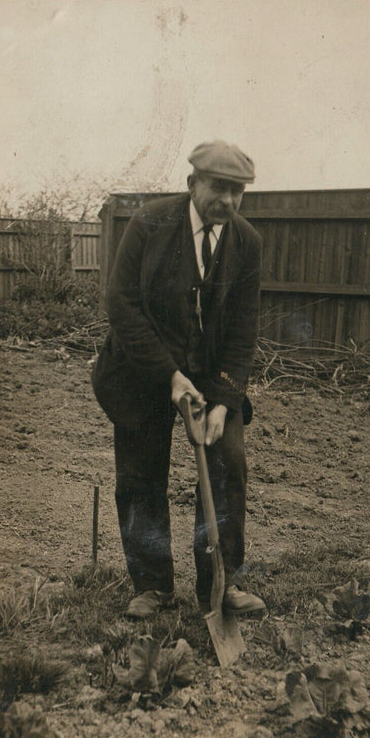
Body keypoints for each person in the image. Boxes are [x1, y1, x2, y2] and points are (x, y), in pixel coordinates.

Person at [92, 140, 266, 620]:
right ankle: (152, 586)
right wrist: (169, 376)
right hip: (141, 369)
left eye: (238, 192)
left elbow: (243, 329)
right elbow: (122, 306)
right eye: (219, 188)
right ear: (193, 184)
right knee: (141, 474)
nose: (228, 201)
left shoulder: (246, 242)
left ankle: (222, 582)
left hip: (212, 377)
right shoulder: (149, 225)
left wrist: (224, 400)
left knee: (228, 463)